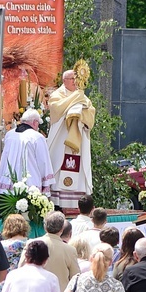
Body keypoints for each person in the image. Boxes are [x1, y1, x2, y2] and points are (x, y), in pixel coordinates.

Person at [47, 69, 96, 209]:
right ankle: (57, 205)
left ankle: (79, 205)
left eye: (76, 79)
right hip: (61, 143)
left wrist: (79, 114)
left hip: (78, 144)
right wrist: (76, 102)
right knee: (58, 168)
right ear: (64, 81)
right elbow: (56, 110)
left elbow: (90, 115)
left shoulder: (83, 97)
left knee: (78, 170)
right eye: (72, 79)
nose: (75, 81)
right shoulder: (57, 95)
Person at [0, 108, 54, 218]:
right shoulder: (37, 137)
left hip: (8, 182)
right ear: (35, 122)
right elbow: (43, 162)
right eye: (38, 124)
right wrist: (46, 184)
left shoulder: (9, 135)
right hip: (30, 183)